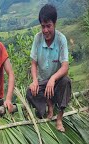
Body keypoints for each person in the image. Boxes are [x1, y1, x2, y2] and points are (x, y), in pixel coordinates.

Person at [26, 4, 71, 132]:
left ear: (55, 24)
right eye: (43, 26)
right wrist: (35, 81)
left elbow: (65, 67)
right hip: (43, 83)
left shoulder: (61, 40)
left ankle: (59, 118)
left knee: (66, 82)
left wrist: (53, 78)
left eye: (48, 26)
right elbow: (33, 63)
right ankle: (48, 105)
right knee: (30, 92)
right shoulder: (38, 38)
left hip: (55, 82)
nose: (45, 30)